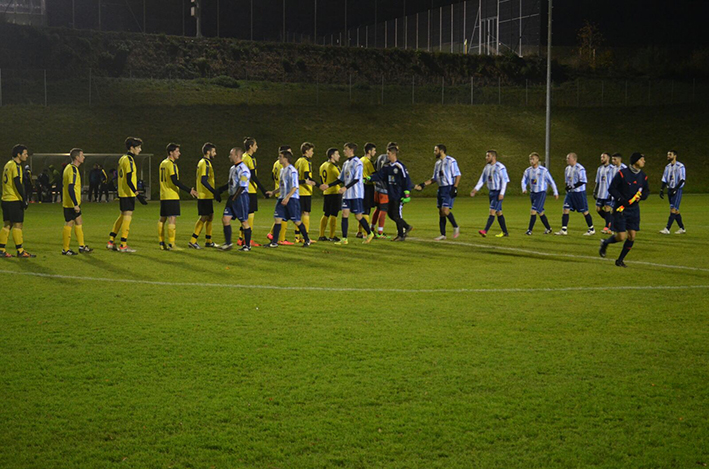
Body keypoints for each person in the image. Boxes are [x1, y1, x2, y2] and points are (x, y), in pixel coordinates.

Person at [599, 152, 649, 267]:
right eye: (642, 159)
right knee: (621, 237)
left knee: (632, 236)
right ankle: (605, 242)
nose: (644, 161)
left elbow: (646, 190)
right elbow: (612, 189)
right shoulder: (622, 174)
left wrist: (643, 196)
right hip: (621, 209)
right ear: (636, 161)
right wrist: (621, 199)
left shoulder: (643, 176)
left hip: (634, 210)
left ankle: (620, 260)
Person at [319, 142, 374, 245]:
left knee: (358, 216)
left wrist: (345, 187)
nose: (344, 151)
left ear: (351, 150)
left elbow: (357, 179)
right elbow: (340, 179)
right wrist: (328, 185)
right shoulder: (345, 163)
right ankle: (344, 238)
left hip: (356, 194)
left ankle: (370, 233)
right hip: (347, 194)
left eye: (345, 149)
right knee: (344, 214)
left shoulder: (358, 162)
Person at [414, 144, 462, 240]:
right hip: (440, 189)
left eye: (435, 150)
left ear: (441, 151)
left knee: (445, 211)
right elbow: (434, 179)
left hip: (449, 188)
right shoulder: (437, 163)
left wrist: (455, 187)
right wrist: (423, 184)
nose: (434, 152)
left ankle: (456, 227)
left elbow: (458, 174)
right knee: (441, 212)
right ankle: (443, 234)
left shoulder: (451, 161)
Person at [367, 144, 413, 241]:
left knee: (396, 215)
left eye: (388, 154)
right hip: (390, 194)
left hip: (398, 195)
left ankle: (402, 234)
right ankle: (406, 227)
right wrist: (370, 178)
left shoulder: (399, 166)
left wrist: (407, 194)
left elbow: (407, 180)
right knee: (391, 214)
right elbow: (380, 175)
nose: (387, 155)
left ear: (393, 154)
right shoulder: (387, 166)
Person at [266, 150, 311, 248]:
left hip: (292, 199)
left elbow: (295, 186)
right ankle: (274, 242)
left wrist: (287, 198)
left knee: (296, 221)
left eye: (280, 156)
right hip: (282, 199)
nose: (279, 158)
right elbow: (282, 186)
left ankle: (307, 240)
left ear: (286, 158)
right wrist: (273, 192)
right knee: (277, 219)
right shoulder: (282, 170)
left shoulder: (292, 170)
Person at [158, 143, 198, 251]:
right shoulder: (171, 165)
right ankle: (172, 244)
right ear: (171, 152)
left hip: (163, 195)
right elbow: (175, 181)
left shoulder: (162, 163)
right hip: (171, 195)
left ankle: (162, 243)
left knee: (162, 219)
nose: (179, 153)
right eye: (177, 151)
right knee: (172, 219)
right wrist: (190, 190)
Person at [107, 137, 143, 253]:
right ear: (132, 148)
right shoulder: (129, 160)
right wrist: (137, 193)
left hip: (122, 192)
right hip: (128, 193)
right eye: (138, 147)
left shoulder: (122, 158)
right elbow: (128, 179)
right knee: (127, 216)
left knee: (122, 216)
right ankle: (123, 244)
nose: (140, 150)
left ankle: (111, 241)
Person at [1, 144, 34, 258]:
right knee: (18, 225)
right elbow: (17, 183)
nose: (26, 155)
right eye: (25, 153)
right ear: (18, 155)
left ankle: (1, 249)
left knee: (7, 225)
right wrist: (24, 199)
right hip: (14, 199)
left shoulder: (7, 164)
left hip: (5, 199)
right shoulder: (16, 166)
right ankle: (20, 251)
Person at [470, 150, 510, 238]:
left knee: (492, 211)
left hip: (498, 192)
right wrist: (476, 189)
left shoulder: (500, 167)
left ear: (493, 157)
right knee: (498, 212)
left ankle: (485, 231)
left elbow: (504, 181)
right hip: (491, 193)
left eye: (488, 156)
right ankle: (505, 232)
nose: (486, 157)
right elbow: (482, 179)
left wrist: (502, 193)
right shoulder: (487, 167)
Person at [220, 147, 253, 252]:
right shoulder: (232, 168)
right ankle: (228, 243)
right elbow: (230, 184)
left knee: (244, 222)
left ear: (237, 155)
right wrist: (219, 191)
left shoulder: (244, 169)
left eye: (231, 154)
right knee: (225, 219)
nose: (229, 156)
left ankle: (247, 245)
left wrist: (233, 199)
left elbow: (242, 186)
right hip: (233, 197)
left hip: (241, 197)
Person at [188, 143, 221, 249]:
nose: (215, 154)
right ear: (208, 152)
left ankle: (208, 241)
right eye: (213, 151)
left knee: (210, 216)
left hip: (207, 195)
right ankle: (193, 241)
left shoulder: (204, 162)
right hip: (204, 195)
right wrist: (214, 191)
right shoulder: (205, 163)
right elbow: (203, 180)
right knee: (204, 217)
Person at [61, 148, 93, 255]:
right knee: (69, 224)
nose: (83, 157)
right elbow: (71, 187)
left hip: (70, 202)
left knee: (79, 222)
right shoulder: (72, 170)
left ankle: (82, 246)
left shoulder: (69, 168)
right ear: (77, 158)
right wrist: (75, 204)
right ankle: (65, 249)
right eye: (82, 155)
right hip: (71, 203)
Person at [555, 152, 595, 236]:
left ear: (574, 159)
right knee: (565, 209)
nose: (567, 160)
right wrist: (567, 187)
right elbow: (567, 180)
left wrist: (572, 186)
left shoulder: (580, 168)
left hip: (579, 193)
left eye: (568, 158)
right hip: (570, 194)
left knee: (584, 211)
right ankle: (564, 229)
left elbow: (583, 181)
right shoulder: (567, 169)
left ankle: (591, 229)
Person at [240, 137, 270, 246]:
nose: (257, 147)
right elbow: (253, 176)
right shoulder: (249, 159)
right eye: (255, 145)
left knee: (245, 214)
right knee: (250, 214)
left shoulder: (244, 157)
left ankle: (241, 238)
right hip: (250, 190)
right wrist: (263, 190)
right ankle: (248, 240)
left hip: (244, 189)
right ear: (250, 146)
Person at [521, 152, 558, 235]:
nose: (531, 161)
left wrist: (555, 192)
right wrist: (524, 188)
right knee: (540, 212)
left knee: (533, 210)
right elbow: (524, 180)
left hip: (541, 193)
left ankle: (529, 230)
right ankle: (548, 228)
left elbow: (551, 181)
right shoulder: (528, 171)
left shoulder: (543, 171)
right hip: (533, 193)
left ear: (537, 160)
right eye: (530, 159)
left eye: (533, 159)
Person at [265, 145, 294, 245]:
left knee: (279, 216)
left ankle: (272, 234)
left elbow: (273, 176)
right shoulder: (284, 165)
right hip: (283, 192)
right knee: (285, 217)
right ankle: (281, 239)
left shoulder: (275, 164)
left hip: (279, 191)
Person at [294, 142, 317, 243]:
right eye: (311, 151)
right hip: (305, 191)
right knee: (306, 213)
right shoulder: (306, 162)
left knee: (298, 214)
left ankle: (297, 237)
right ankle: (305, 236)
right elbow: (307, 176)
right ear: (306, 151)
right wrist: (318, 184)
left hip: (298, 191)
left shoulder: (298, 161)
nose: (312, 153)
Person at [318, 147, 342, 242]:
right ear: (332, 156)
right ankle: (332, 236)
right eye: (337, 154)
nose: (339, 156)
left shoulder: (322, 165)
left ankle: (321, 235)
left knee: (326, 213)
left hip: (326, 193)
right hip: (334, 192)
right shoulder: (334, 167)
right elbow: (341, 179)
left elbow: (321, 179)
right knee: (334, 214)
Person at [659, 150, 686, 234]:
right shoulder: (667, 167)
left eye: (670, 154)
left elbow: (682, 179)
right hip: (670, 190)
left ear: (675, 156)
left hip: (677, 190)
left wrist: (676, 189)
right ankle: (682, 228)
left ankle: (667, 229)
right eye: (667, 154)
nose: (668, 156)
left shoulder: (680, 166)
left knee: (673, 209)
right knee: (675, 210)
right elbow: (664, 179)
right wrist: (661, 189)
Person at [370, 144, 391, 238]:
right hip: (384, 189)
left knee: (377, 209)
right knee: (383, 210)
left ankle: (372, 228)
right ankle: (380, 232)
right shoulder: (389, 160)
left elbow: (374, 169)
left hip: (377, 188)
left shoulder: (380, 157)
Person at [357, 142, 377, 238]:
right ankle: (366, 233)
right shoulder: (368, 162)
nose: (375, 152)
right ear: (369, 151)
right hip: (367, 187)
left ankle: (359, 231)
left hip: (360, 187)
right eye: (374, 150)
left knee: (362, 209)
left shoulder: (360, 160)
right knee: (367, 210)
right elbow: (374, 175)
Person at [593, 152, 615, 234]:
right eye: (601, 157)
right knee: (598, 209)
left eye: (603, 157)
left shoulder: (612, 168)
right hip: (600, 193)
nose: (602, 158)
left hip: (608, 193)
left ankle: (607, 226)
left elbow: (614, 182)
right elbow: (597, 181)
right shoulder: (600, 169)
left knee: (607, 208)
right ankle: (610, 221)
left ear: (608, 158)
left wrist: (612, 192)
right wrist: (595, 191)